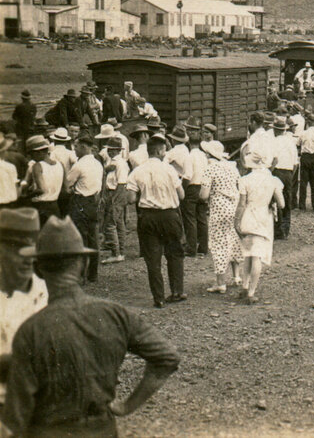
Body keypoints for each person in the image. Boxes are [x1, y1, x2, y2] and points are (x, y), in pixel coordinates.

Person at [3, 217, 179, 437]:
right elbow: (167, 357)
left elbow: (16, 418)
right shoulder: (116, 315)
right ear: (84, 265)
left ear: (38, 269)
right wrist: (126, 406)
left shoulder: (31, 331)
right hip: (102, 430)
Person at [127, 134, 186, 308]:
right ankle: (176, 291)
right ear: (160, 151)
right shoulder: (169, 170)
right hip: (170, 215)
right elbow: (181, 195)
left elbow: (130, 198)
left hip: (148, 216)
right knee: (174, 254)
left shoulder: (137, 170)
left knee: (152, 258)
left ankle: (158, 298)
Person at [0, 208, 47, 409]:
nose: (29, 258)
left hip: (39, 407)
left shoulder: (47, 295)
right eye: (19, 249)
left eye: (32, 250)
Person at [235, 152, 284, 304]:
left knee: (248, 254)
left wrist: (236, 221)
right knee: (257, 255)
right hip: (263, 218)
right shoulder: (273, 180)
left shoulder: (244, 180)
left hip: (248, 216)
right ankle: (251, 293)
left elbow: (242, 204)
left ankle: (244, 286)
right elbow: (282, 204)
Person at [199, 141, 244, 294]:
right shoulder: (232, 167)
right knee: (233, 239)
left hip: (218, 209)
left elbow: (204, 195)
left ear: (207, 155)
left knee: (219, 244)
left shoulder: (210, 169)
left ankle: (220, 283)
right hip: (233, 206)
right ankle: (237, 276)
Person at [65, 135, 103, 284]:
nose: (74, 149)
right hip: (93, 201)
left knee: (79, 238)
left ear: (83, 147)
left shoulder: (78, 165)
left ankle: (80, 275)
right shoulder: (97, 163)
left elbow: (67, 185)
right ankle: (93, 274)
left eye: (76, 146)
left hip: (80, 202)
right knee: (93, 239)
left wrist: (73, 189)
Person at [22, 135, 63, 226]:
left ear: (39, 152)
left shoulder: (37, 166)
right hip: (55, 206)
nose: (31, 157)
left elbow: (41, 190)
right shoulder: (59, 164)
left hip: (41, 207)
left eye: (32, 154)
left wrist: (26, 196)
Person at [100, 140, 129, 264]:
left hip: (116, 193)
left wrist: (114, 200)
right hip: (110, 192)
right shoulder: (110, 162)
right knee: (118, 223)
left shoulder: (120, 163)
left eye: (113, 149)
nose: (110, 151)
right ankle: (120, 252)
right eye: (109, 149)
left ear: (118, 150)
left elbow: (121, 183)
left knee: (110, 223)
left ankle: (116, 253)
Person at [181, 130, 209, 257]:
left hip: (192, 187)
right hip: (203, 187)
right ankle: (203, 247)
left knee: (190, 218)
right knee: (202, 217)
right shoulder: (204, 156)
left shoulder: (189, 156)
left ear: (189, 143)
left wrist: (183, 189)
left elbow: (187, 175)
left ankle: (191, 247)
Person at [271, 118, 298, 239]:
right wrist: (291, 175)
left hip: (277, 171)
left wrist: (270, 172)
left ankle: (277, 229)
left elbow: (273, 159)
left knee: (276, 199)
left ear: (275, 130)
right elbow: (295, 163)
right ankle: (286, 229)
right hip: (289, 172)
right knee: (287, 199)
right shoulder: (291, 142)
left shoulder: (274, 142)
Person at [298, 112, 314, 211]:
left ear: (307, 122)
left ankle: (302, 205)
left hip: (305, 156)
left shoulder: (303, 133)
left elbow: (298, 143)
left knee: (303, 182)